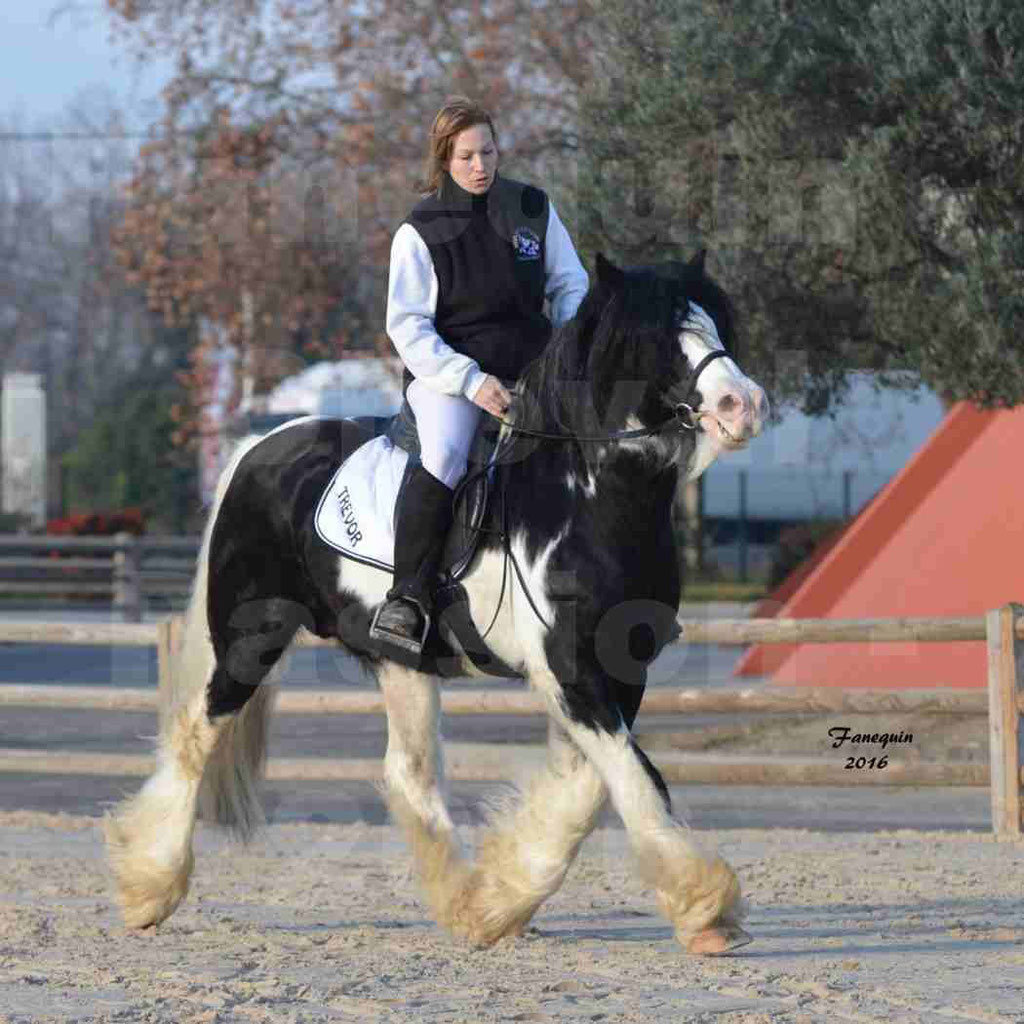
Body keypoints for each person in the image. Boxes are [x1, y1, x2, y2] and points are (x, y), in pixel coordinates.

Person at [368, 95, 589, 658]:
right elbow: (408, 326)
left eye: (487, 151)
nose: (480, 166)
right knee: (443, 456)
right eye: (466, 155)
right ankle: (408, 597)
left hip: (537, 371)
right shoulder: (419, 230)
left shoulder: (533, 207)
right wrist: (470, 382)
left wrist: (567, 357)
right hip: (452, 379)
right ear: (445, 158)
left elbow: (570, 286)